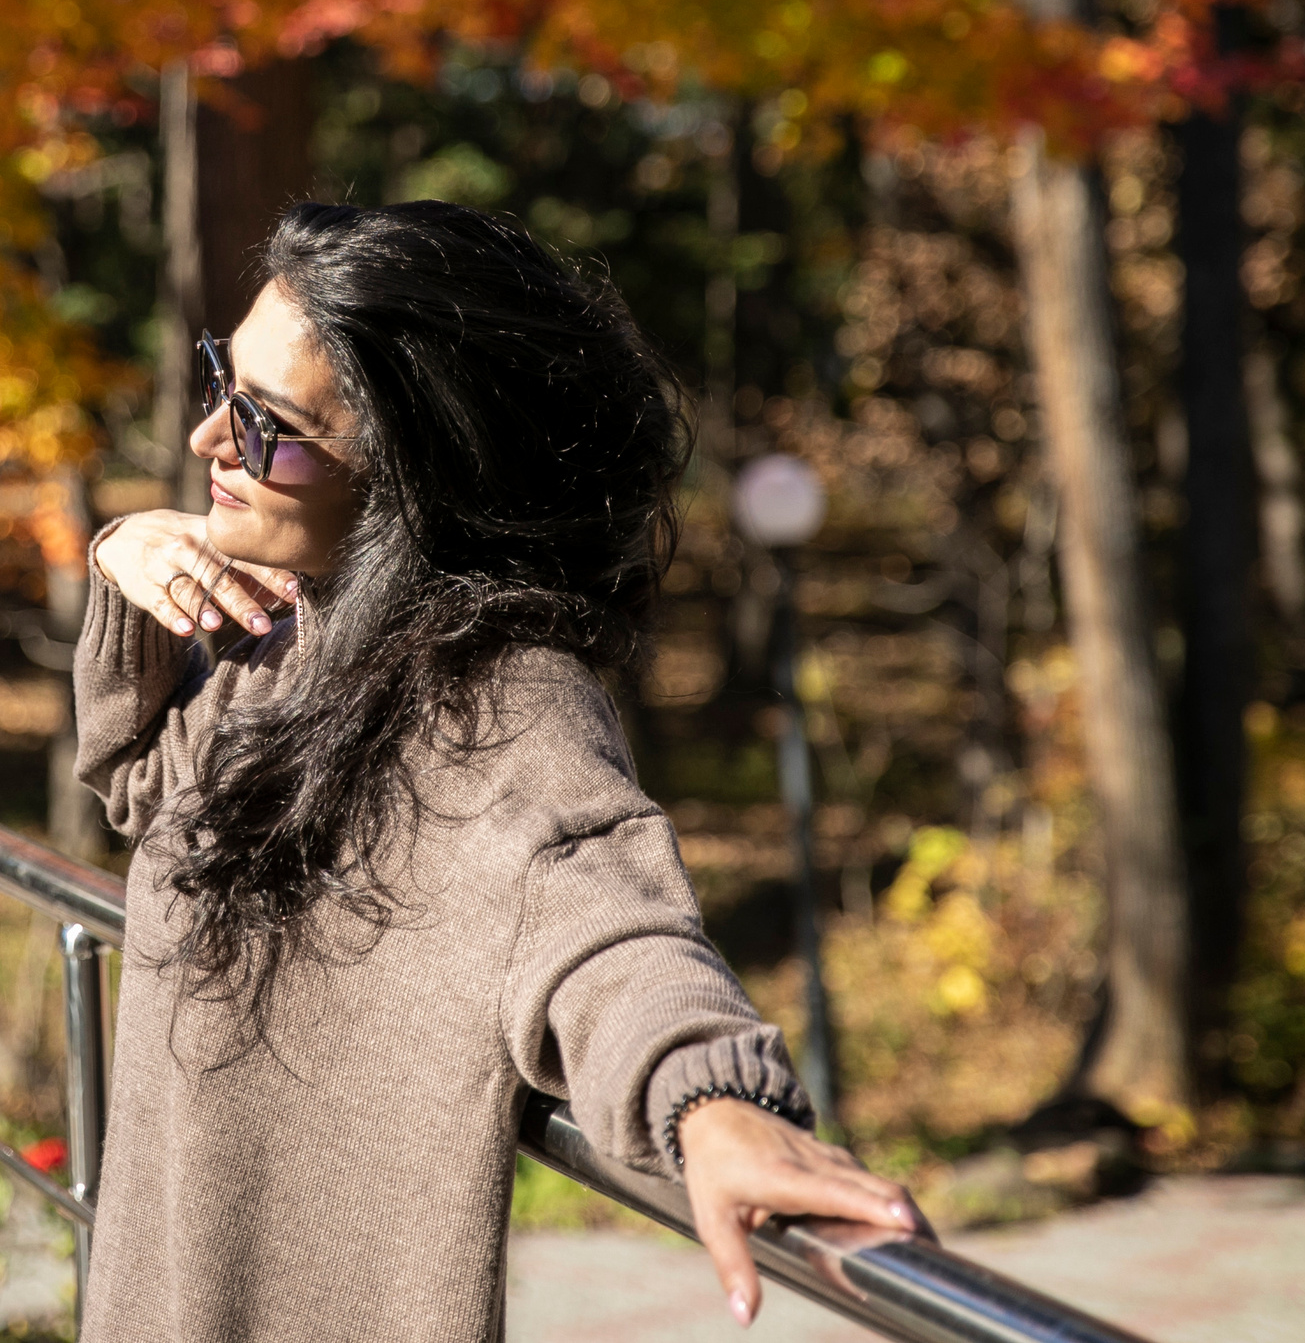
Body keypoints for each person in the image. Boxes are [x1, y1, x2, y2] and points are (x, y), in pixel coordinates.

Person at [77, 201, 923, 1342]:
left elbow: (608, 922)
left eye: (267, 424)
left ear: (419, 466)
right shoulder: (280, 642)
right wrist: (127, 565)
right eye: (222, 379)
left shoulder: (498, 703)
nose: (207, 442)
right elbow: (141, 788)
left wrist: (715, 1101)